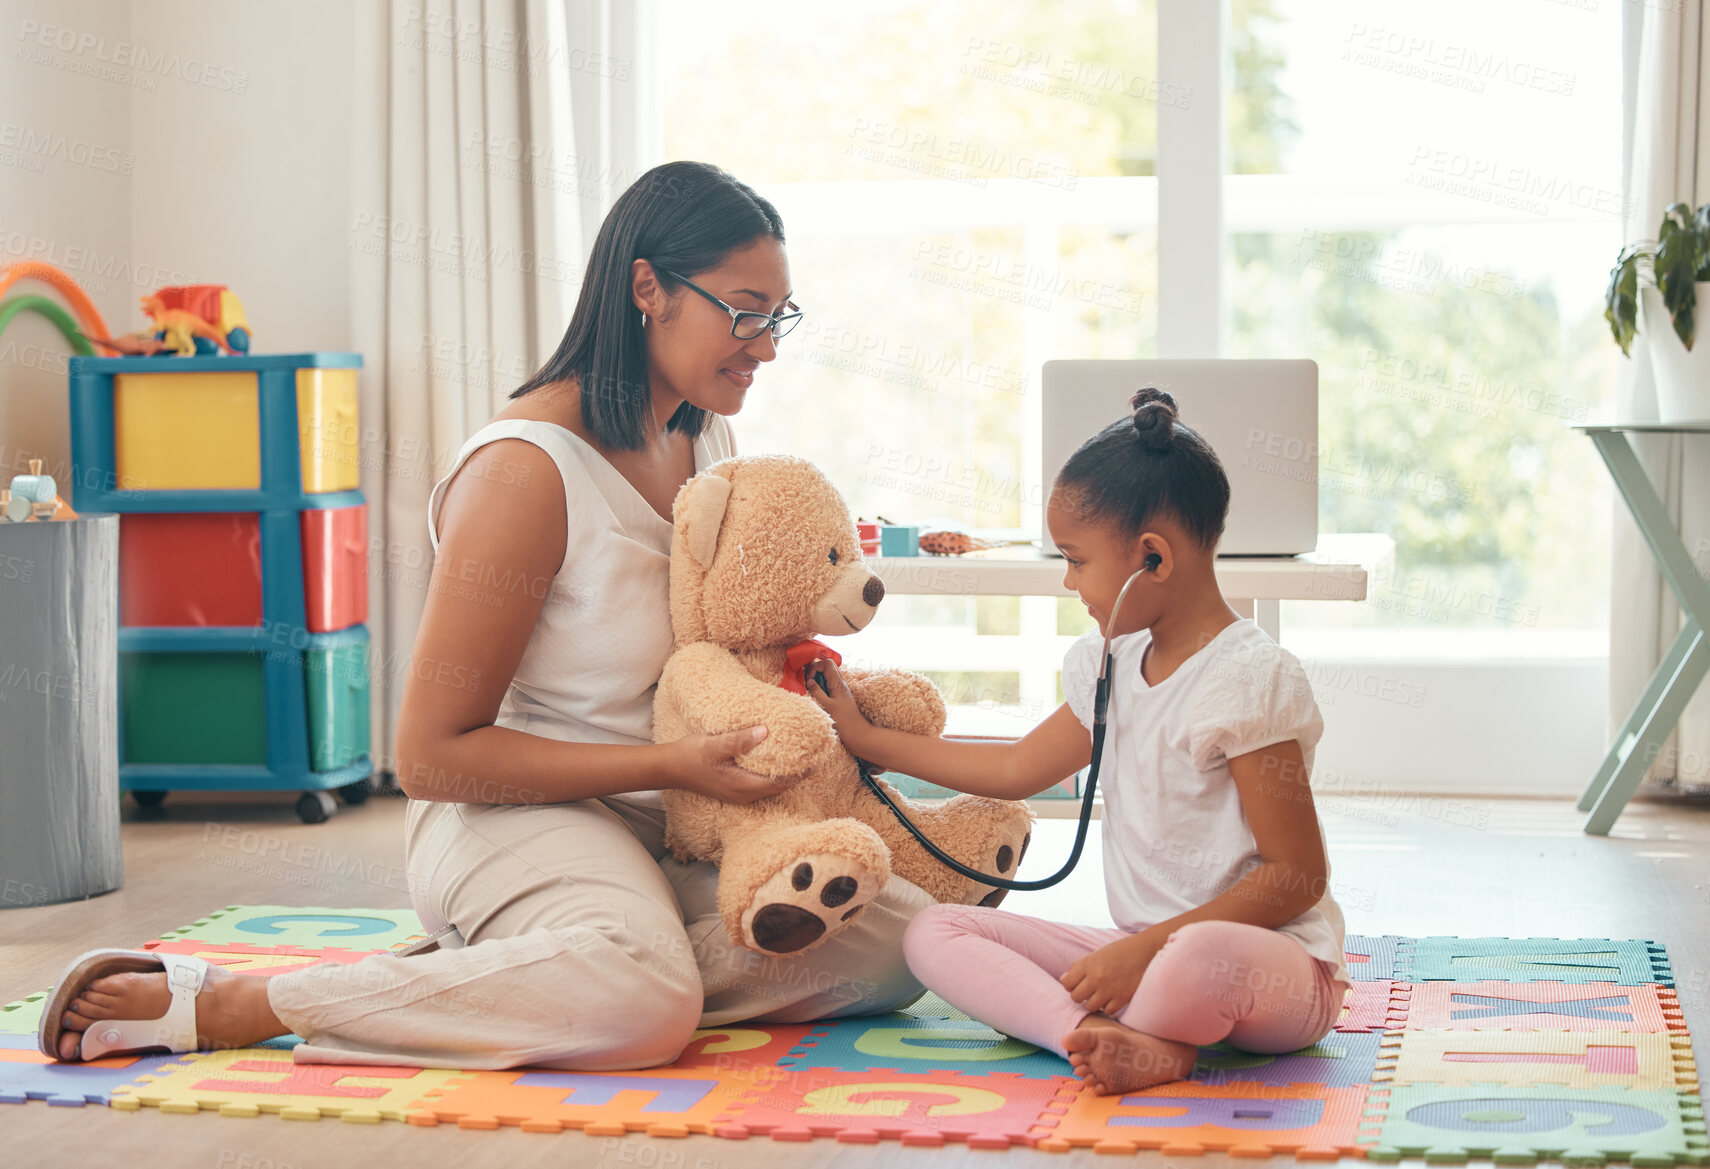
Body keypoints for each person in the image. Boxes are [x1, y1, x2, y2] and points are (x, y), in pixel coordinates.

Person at [41, 161, 932, 1069]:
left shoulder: (705, 435)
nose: (766, 346)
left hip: (673, 811)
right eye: (746, 312)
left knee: (903, 937)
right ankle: (251, 1001)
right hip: (514, 811)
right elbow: (432, 755)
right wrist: (666, 761)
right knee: (643, 1003)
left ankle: (539, 967)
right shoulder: (524, 471)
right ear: (648, 288)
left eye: (778, 317)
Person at [804, 387, 1351, 1095]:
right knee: (934, 932)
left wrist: (1150, 951)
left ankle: (1144, 1026)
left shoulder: (1247, 679)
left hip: (1267, 966)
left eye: (1076, 559)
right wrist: (866, 736)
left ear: (1153, 558)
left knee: (1197, 956)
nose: (1069, 581)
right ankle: (1099, 1039)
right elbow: (1012, 767)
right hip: (1143, 956)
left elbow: (1297, 874)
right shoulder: (1107, 663)